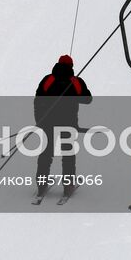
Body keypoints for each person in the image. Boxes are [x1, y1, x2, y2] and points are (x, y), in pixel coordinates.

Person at [32, 54, 92, 201]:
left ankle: (41, 185)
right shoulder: (75, 81)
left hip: (47, 124)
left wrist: (39, 121)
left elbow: (37, 100)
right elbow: (88, 99)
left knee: (46, 154)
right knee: (68, 155)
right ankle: (68, 186)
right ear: (71, 67)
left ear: (57, 64)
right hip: (68, 124)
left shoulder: (48, 80)